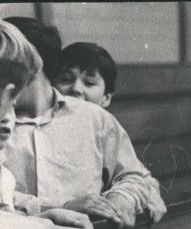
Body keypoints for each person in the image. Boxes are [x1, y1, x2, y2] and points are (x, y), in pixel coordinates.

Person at [3, 17, 166, 228]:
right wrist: (62, 206)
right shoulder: (0, 124)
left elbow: (133, 176)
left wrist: (121, 200)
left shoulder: (95, 118)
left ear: (33, 64)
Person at [0, 20, 111, 229]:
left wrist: (41, 226)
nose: (8, 117)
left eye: (13, 101)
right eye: (1, 98)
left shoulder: (3, 176)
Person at [53, 39, 166, 219]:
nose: (75, 89)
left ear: (106, 98)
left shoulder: (104, 127)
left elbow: (138, 174)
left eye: (89, 83)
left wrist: (149, 190)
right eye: (66, 79)